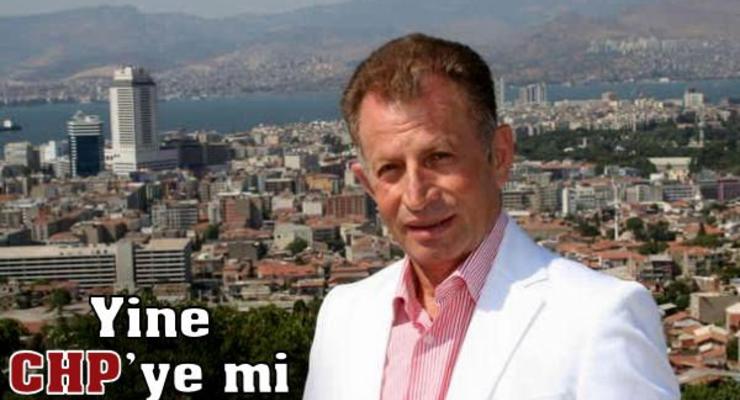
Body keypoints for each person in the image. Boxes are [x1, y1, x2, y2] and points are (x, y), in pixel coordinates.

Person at [304, 33, 679, 400]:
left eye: (439, 158)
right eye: (390, 169)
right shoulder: (343, 316)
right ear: (367, 184)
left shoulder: (599, 318)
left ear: (499, 156)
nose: (416, 197)